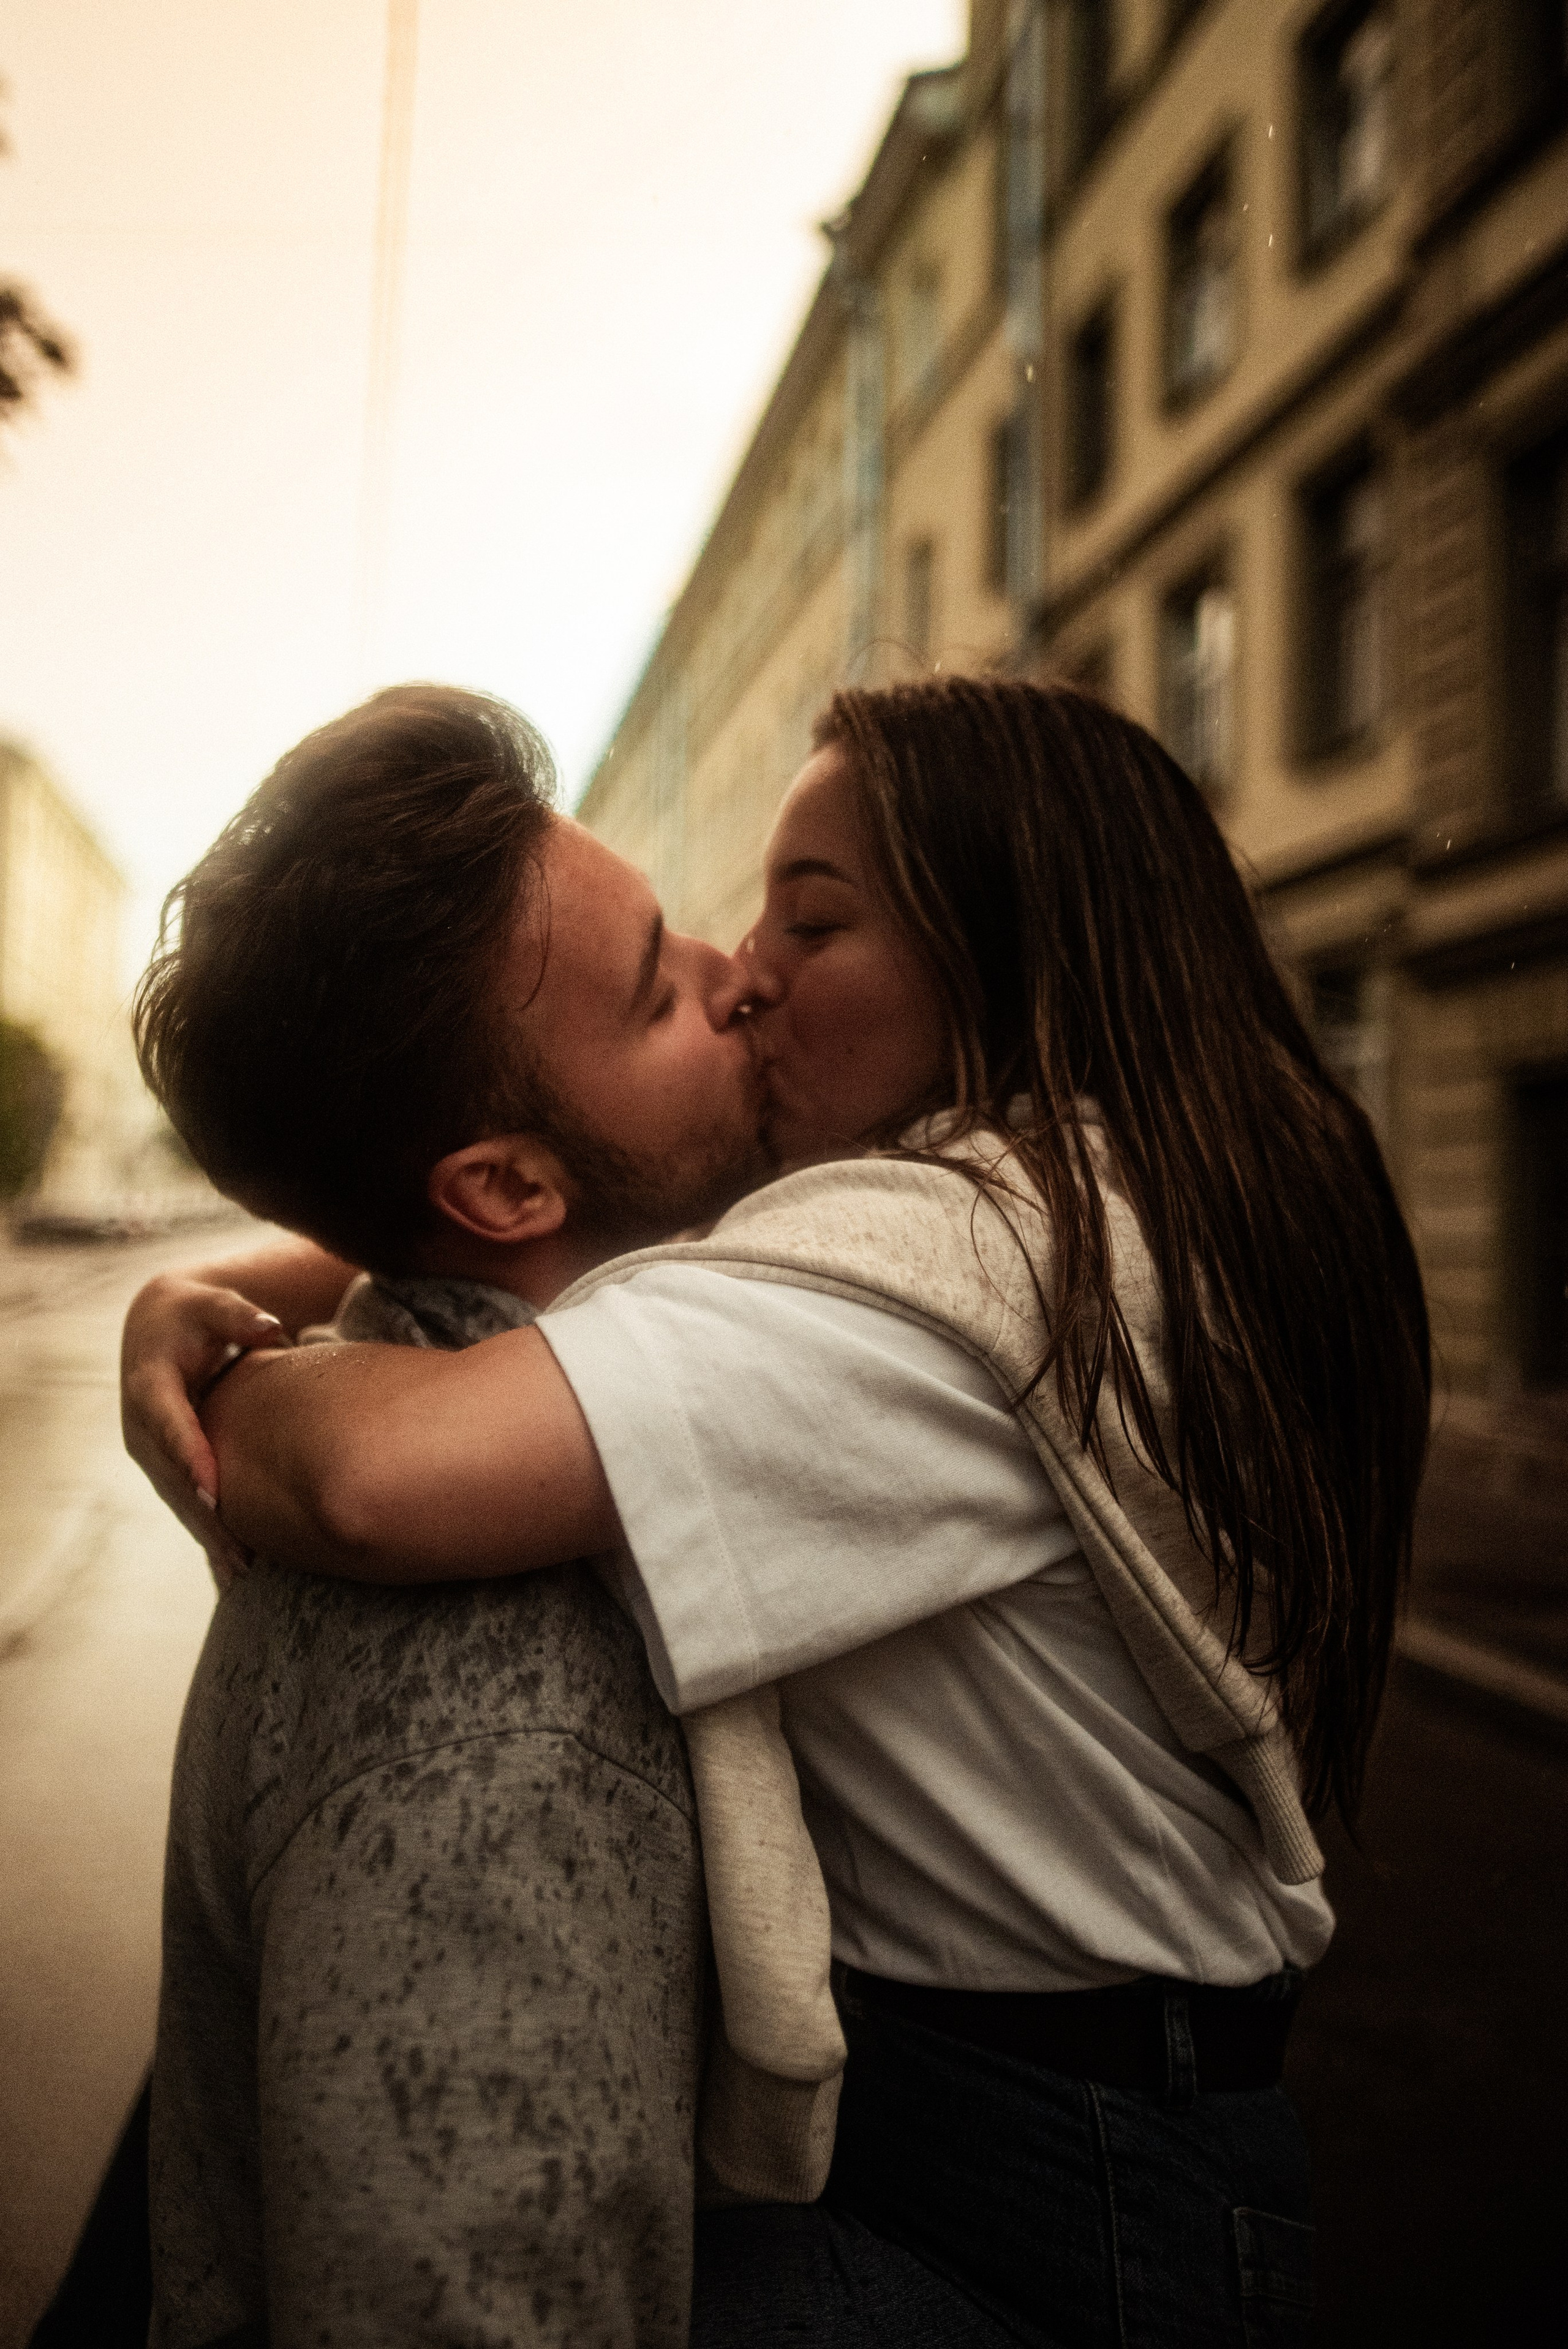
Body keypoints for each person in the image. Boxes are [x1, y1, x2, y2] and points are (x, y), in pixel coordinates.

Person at [130, 677, 1431, 2348]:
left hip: (1066, 2197)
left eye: (809, 921)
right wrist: (235, 1280)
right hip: (1077, 2126)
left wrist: (219, 1379)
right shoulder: (1076, 1199)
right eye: (703, 946)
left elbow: (369, 1477)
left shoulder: (947, 1273)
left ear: (998, 959)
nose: (743, 970)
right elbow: (580, 1210)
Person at [124, 686, 844, 2349]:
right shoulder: (501, 1716)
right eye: (659, 991)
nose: (737, 977)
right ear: (510, 1188)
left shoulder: (419, 1372)